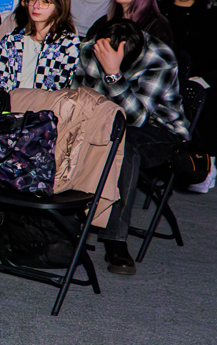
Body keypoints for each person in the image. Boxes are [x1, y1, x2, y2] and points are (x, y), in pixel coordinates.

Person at [77, 19, 189, 276]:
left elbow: (137, 119)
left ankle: (115, 238)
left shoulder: (159, 58)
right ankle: (66, 222)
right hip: (104, 121)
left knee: (124, 144)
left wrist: (113, 74)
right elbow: (78, 96)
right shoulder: (90, 48)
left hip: (158, 128)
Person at [0, 0, 83, 91]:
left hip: (48, 102)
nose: (36, 6)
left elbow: (64, 89)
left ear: (59, 5)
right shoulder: (11, 41)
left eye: (44, 1)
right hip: (11, 101)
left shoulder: (68, 44)